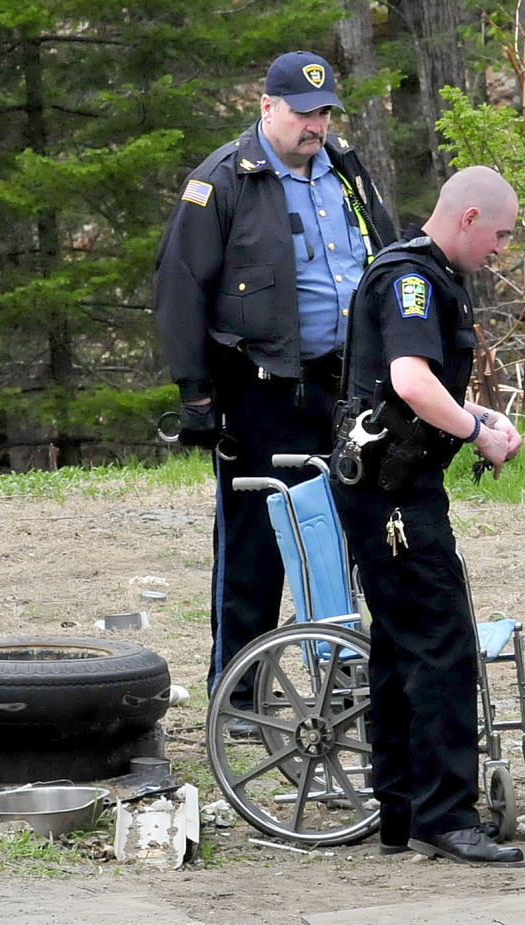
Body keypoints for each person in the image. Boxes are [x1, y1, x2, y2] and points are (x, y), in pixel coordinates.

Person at [154, 51, 395, 715]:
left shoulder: (345, 169)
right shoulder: (225, 180)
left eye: (323, 112)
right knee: (257, 545)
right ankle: (239, 700)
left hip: (346, 388)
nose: (314, 124)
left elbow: (385, 250)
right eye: (301, 111)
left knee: (348, 532)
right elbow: (180, 289)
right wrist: (197, 395)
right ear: (267, 107)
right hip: (261, 390)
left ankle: (345, 677)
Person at [331, 166, 525, 867]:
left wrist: (479, 417)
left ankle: (402, 809)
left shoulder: (426, 274)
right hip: (393, 497)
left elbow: (405, 389)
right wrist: (475, 433)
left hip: (394, 485)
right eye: (500, 234)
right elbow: (412, 381)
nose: (501, 250)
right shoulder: (411, 280)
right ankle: (445, 813)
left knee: (400, 649)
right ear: (469, 217)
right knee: (442, 645)